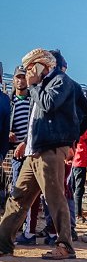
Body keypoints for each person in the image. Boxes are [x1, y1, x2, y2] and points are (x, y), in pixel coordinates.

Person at [0, 49, 87, 259]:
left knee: (54, 197)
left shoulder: (61, 81)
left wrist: (70, 139)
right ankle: (3, 243)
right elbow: (35, 120)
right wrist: (25, 142)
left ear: (43, 66)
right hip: (34, 151)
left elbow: (51, 105)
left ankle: (65, 245)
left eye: (32, 66)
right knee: (18, 197)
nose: (29, 71)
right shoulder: (38, 87)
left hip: (51, 149)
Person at [9, 66, 39, 244]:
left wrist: (26, 143)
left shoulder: (33, 101)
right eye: (18, 77)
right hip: (15, 154)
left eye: (23, 77)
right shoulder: (10, 101)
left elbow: (36, 125)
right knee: (16, 192)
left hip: (31, 152)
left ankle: (29, 231)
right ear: (14, 80)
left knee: (31, 194)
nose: (20, 80)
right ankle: (16, 228)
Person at [72, 126, 87, 222]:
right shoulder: (83, 130)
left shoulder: (75, 128)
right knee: (79, 189)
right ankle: (78, 215)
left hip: (74, 162)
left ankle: (74, 212)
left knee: (73, 188)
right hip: (80, 163)